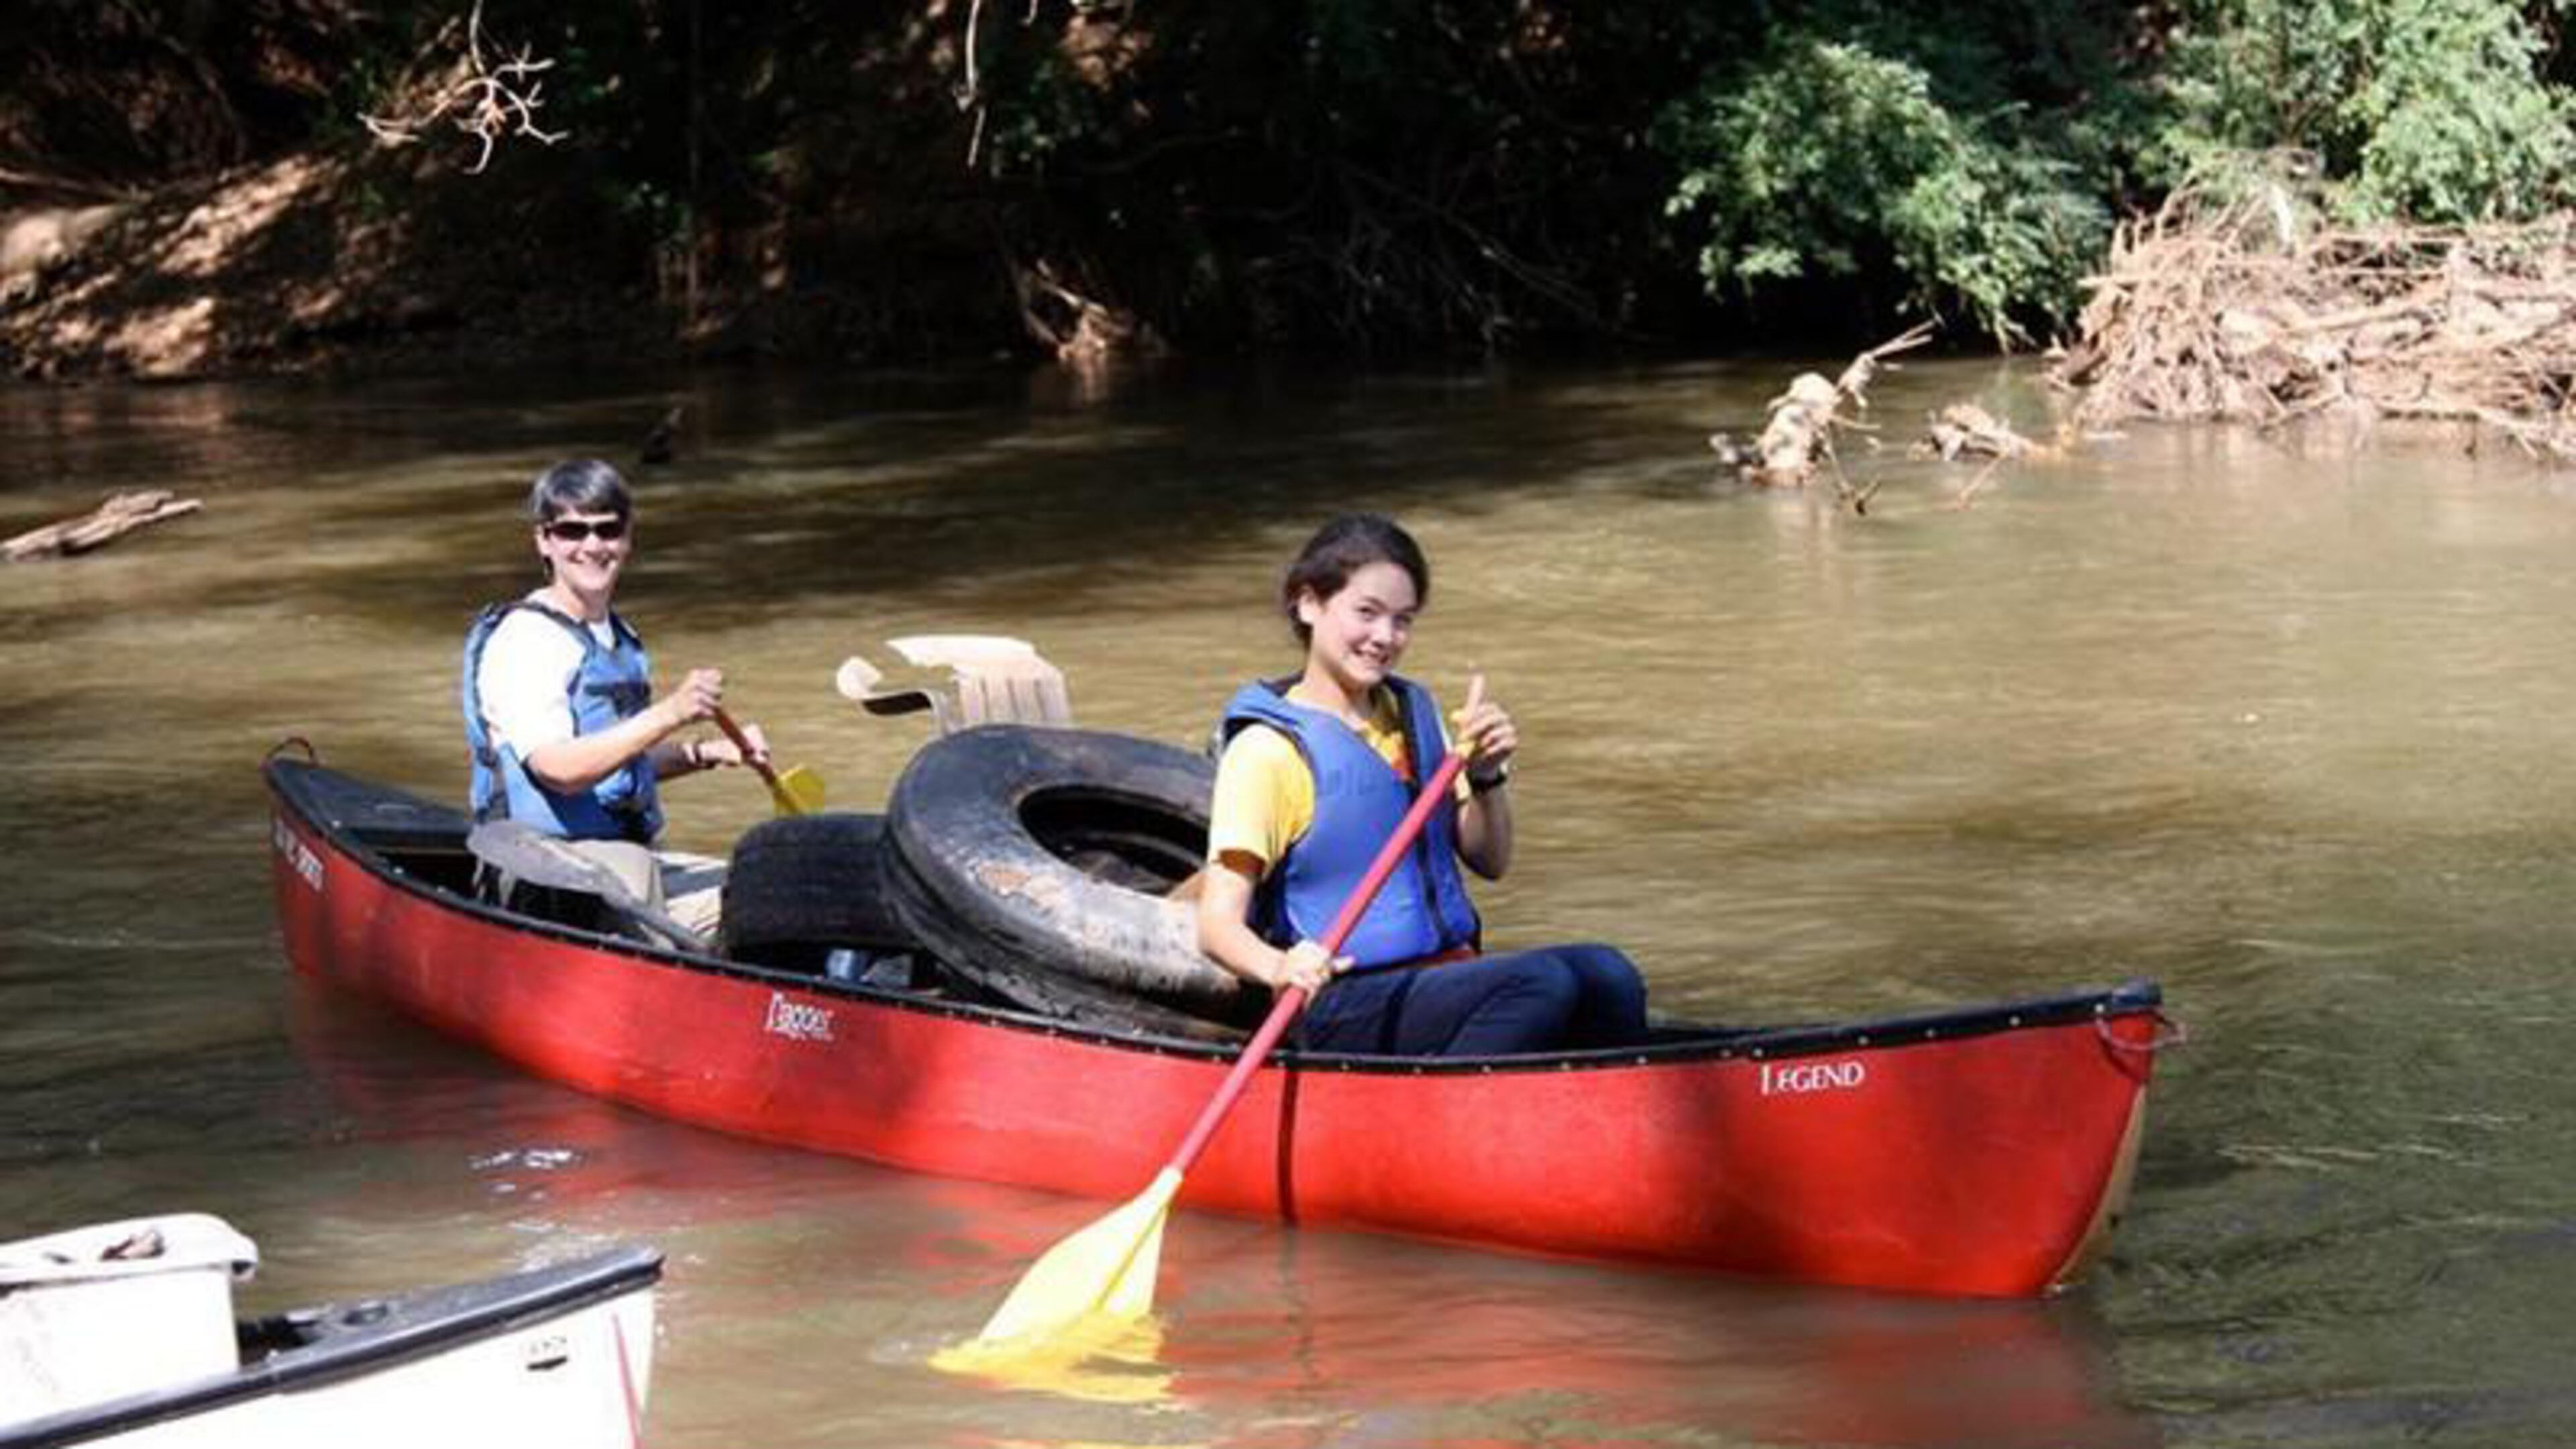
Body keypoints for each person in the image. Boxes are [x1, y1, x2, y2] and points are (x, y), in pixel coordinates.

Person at [1196, 513, 1649, 1056]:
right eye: (1367, 613)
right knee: (1539, 984)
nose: (1385, 638)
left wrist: (1486, 775)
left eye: (1403, 620)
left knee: (1608, 973)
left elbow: (1492, 860)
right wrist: (1280, 965)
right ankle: (1455, 1122)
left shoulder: (1414, 715)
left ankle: (1601, 1119)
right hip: (1341, 1000)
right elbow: (1217, 927)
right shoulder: (1267, 752)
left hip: (1442, 976)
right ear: (1309, 603)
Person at [460, 458, 765, 914]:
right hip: (542, 871)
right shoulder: (527, 640)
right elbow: (558, 770)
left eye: (608, 530)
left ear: (628, 538)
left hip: (611, 855)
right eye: (572, 531)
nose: (592, 545)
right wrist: (670, 712)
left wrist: (706, 754)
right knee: (750, 913)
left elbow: (617, 767)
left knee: (766, 885)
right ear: (544, 540)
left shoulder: (614, 635)